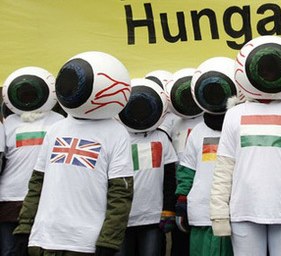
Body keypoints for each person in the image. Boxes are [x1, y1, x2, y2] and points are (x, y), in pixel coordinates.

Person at [210, 36, 281, 256]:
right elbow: (224, 169)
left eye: (273, 70)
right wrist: (219, 214)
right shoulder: (234, 114)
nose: (269, 75)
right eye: (265, 70)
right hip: (244, 212)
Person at [13, 51, 134, 256]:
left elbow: (121, 193)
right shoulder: (56, 129)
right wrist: (25, 226)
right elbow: (37, 183)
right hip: (43, 240)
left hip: (85, 244)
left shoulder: (116, 133)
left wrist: (108, 241)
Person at [176, 57, 239, 256]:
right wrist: (182, 201)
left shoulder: (241, 127)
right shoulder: (197, 131)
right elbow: (187, 170)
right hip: (202, 212)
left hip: (236, 213)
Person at [0, 67, 64, 256]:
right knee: (10, 251)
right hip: (10, 200)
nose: (28, 96)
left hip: (47, 200)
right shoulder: (8, 124)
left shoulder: (59, 122)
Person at [117, 78, 178, 256]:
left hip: (153, 217)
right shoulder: (116, 137)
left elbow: (169, 177)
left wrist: (169, 209)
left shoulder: (161, 138)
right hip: (121, 219)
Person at [165, 68, 204, 256]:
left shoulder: (208, 121)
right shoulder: (175, 122)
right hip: (178, 189)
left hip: (201, 186)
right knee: (179, 242)